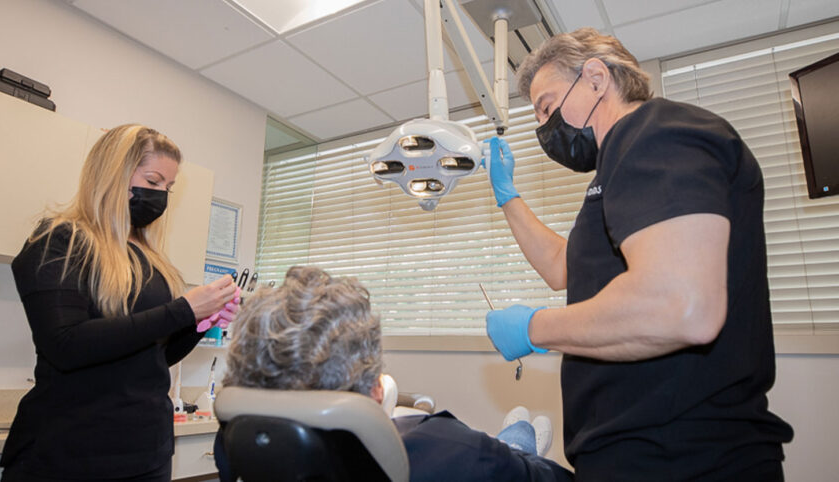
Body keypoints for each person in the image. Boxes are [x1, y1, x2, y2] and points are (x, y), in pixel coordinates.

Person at [482, 28, 794, 480]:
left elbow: (680, 306)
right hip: (639, 454)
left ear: (594, 78)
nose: (544, 129)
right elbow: (562, 267)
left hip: (685, 458)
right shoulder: (616, 172)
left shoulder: (655, 134)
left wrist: (534, 328)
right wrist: (507, 196)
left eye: (547, 107)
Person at [0, 124, 240, 482]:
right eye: (154, 180)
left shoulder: (148, 258)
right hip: (71, 451)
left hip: (146, 450)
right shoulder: (58, 242)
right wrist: (182, 310)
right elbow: (65, 345)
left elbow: (153, 357)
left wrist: (198, 323)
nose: (161, 195)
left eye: (168, 188)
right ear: (113, 174)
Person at [216, 266, 573, 482]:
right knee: (517, 444)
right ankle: (519, 440)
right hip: (496, 466)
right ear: (373, 387)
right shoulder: (448, 447)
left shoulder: (237, 441)